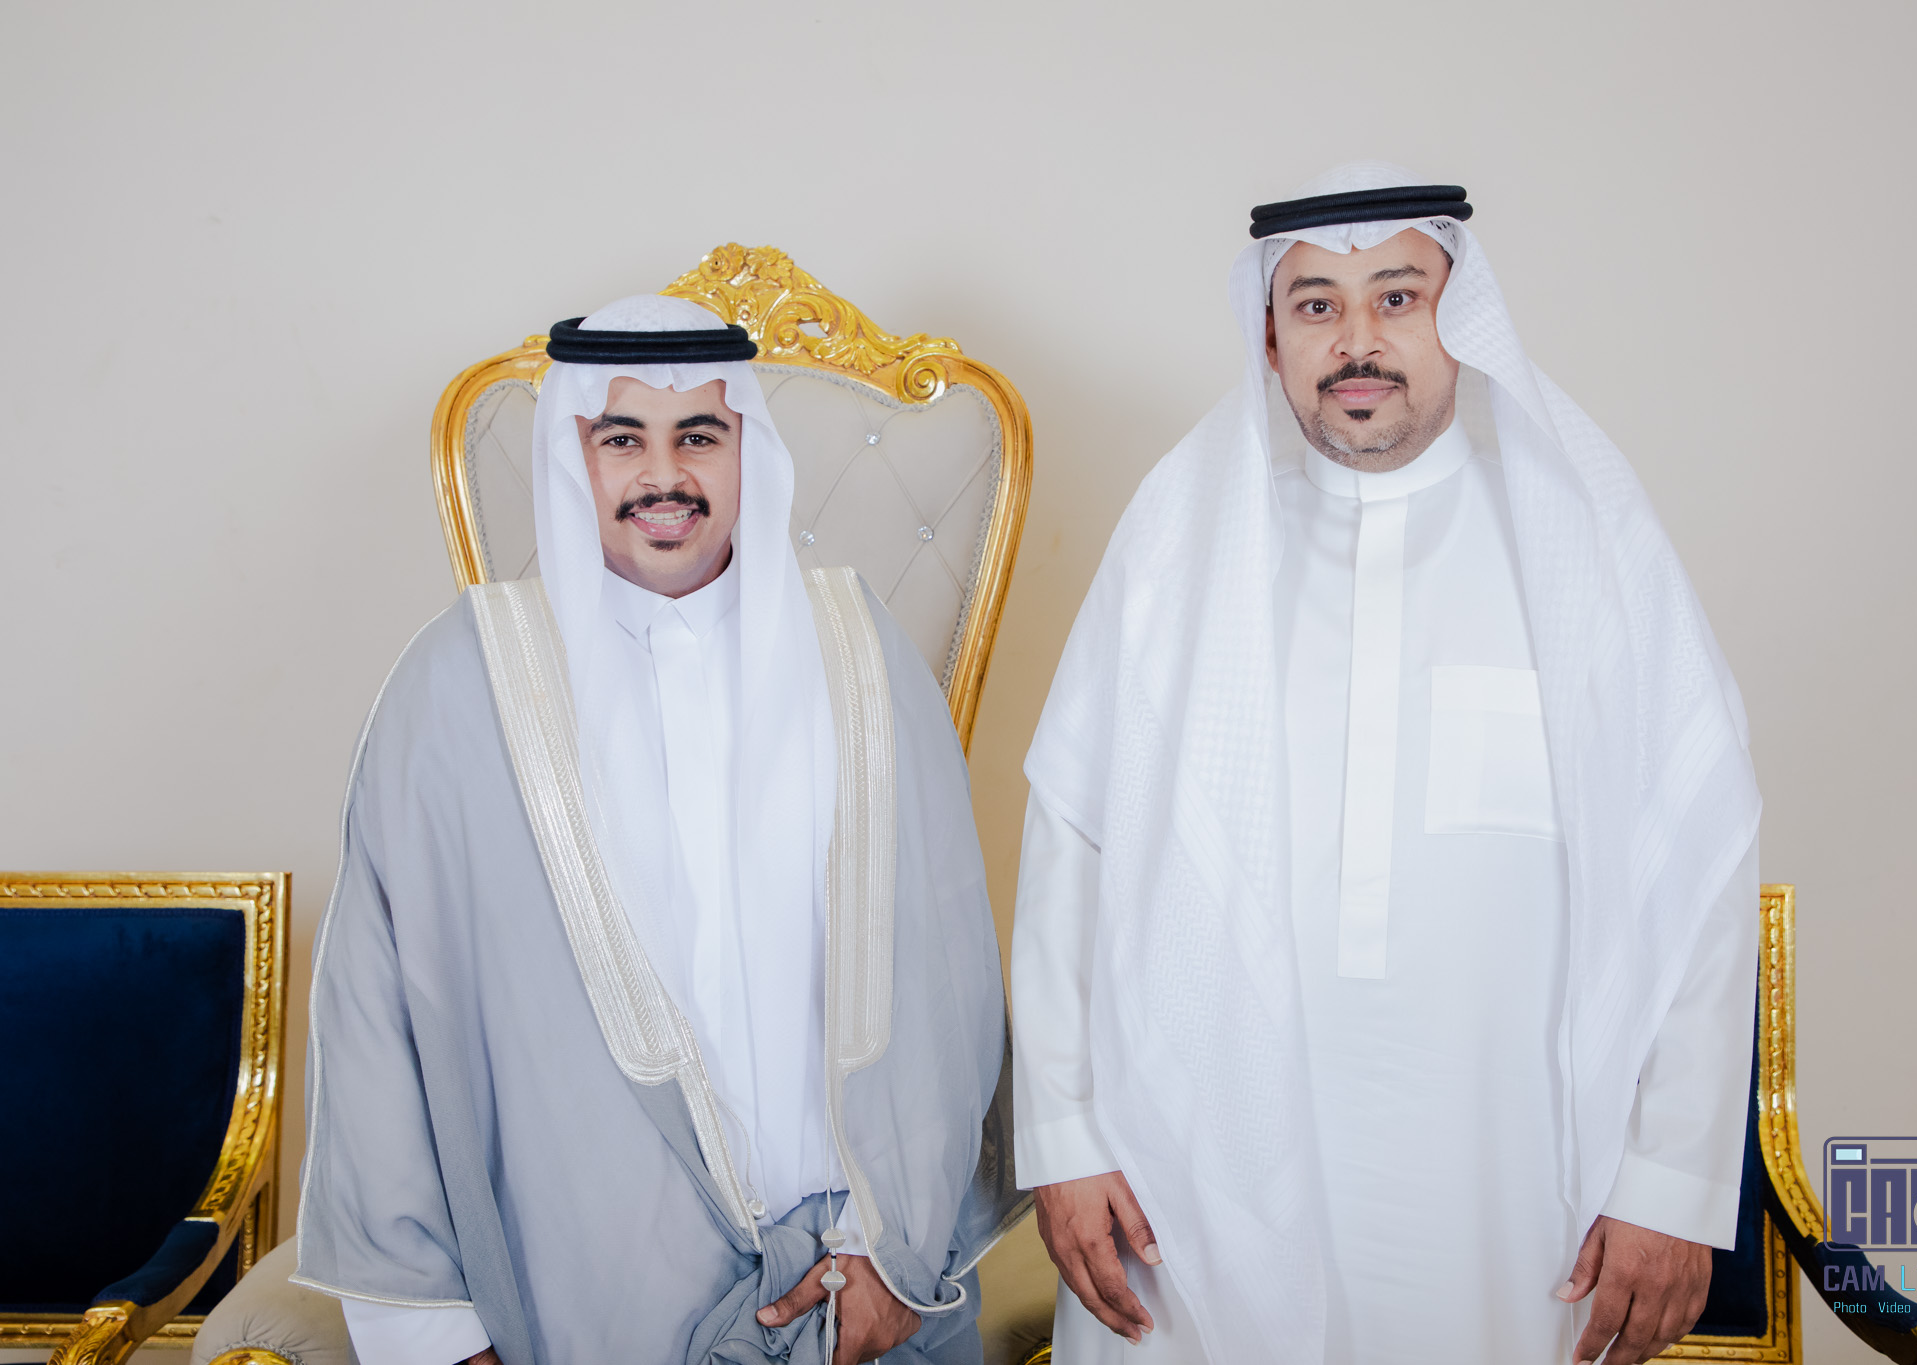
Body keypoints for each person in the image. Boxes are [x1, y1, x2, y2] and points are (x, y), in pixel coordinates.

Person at [1011, 163, 1761, 1364]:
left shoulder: (1585, 554)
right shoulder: (1175, 553)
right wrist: (1062, 1138)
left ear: (1462, 319)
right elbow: (1071, 854)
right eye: (1315, 305)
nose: (1355, 340)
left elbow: (1698, 869)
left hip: (1511, 1184)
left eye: (1396, 298)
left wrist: (1669, 1184)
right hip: (1189, 1173)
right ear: (1268, 338)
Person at [293, 295, 1021, 1365]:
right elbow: (376, 1017)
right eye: (622, 438)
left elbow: (944, 970)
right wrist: (433, 1336)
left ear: (746, 450)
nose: (664, 475)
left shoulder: (855, 652)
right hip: (580, 1296)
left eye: (700, 435)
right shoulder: (458, 684)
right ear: (570, 458)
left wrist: (892, 1255)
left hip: (855, 1288)